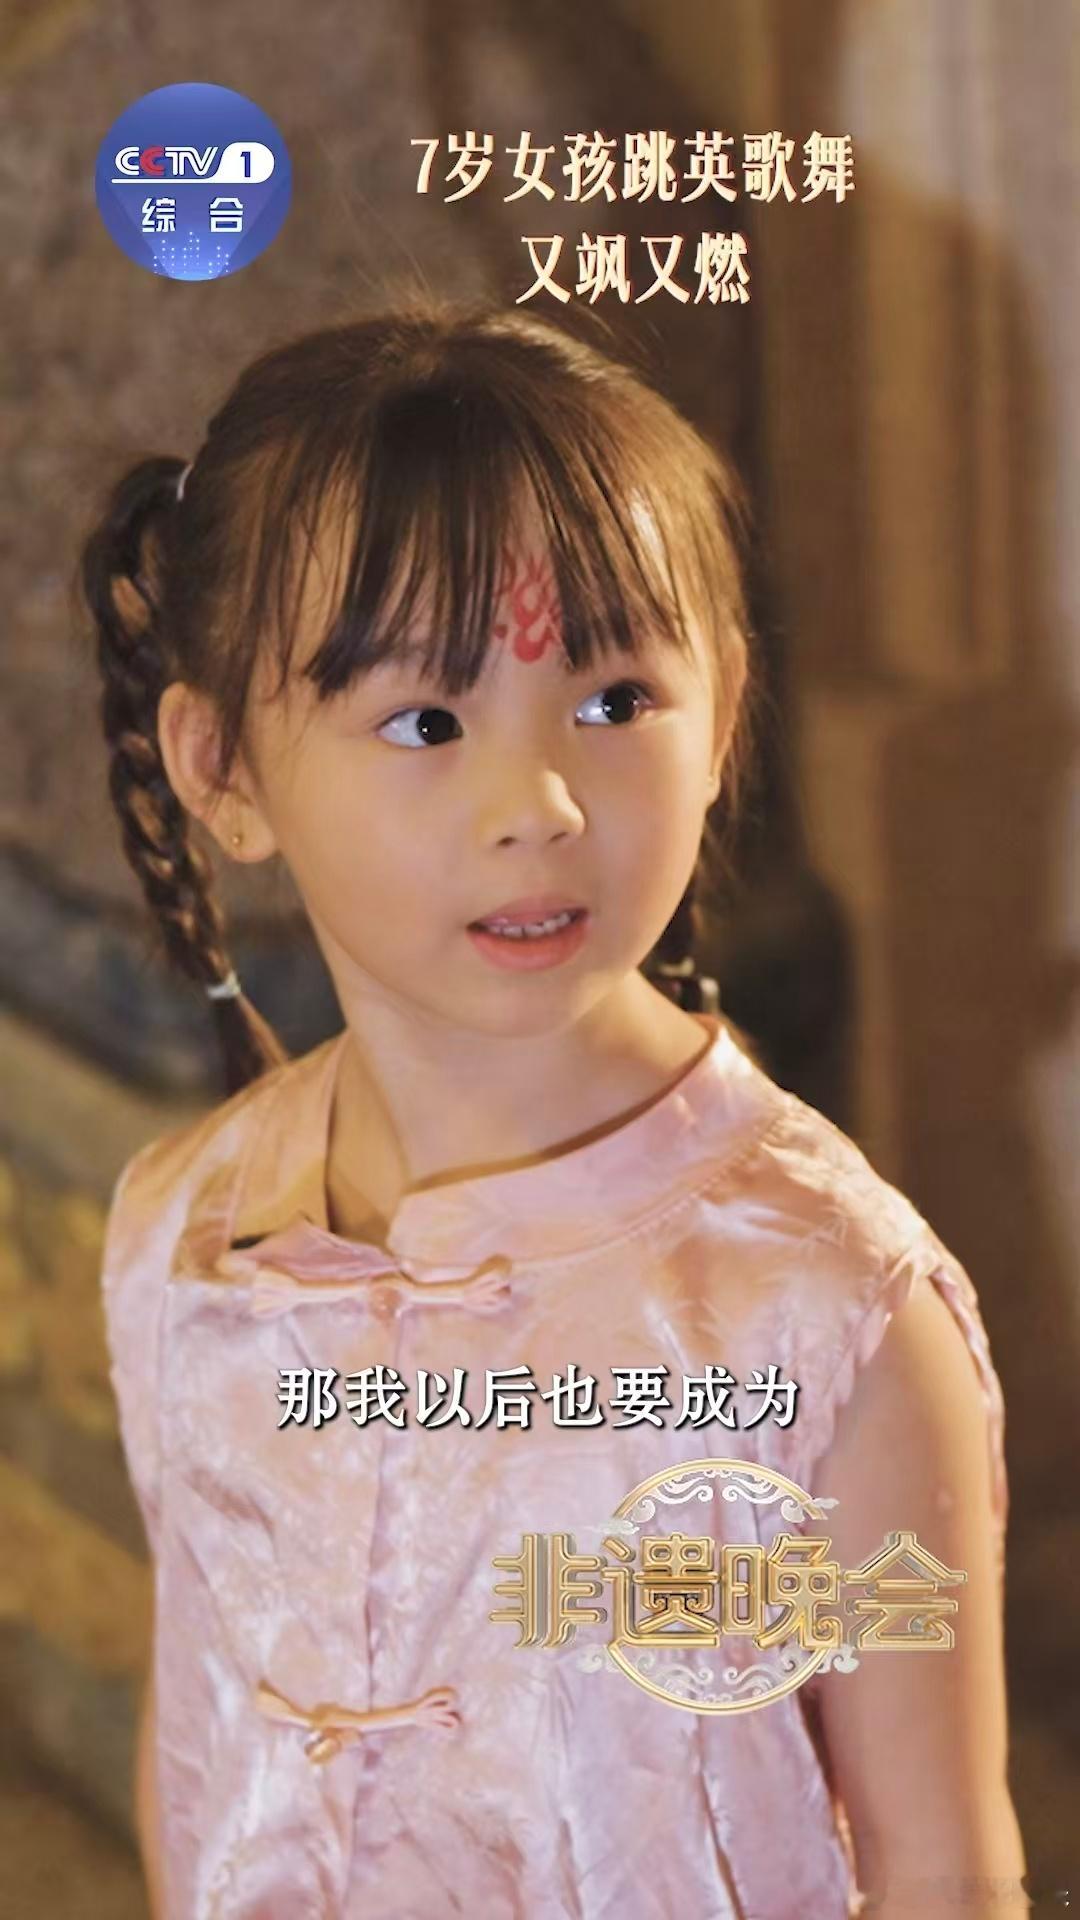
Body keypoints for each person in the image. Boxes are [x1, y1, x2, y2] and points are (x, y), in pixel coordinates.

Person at [79, 299, 1028, 1918]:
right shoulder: (180, 1239)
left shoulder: (831, 1322)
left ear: (724, 712)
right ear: (223, 767)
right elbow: (200, 1755)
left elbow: (944, 1872)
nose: (539, 806)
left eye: (615, 699)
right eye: (425, 721)